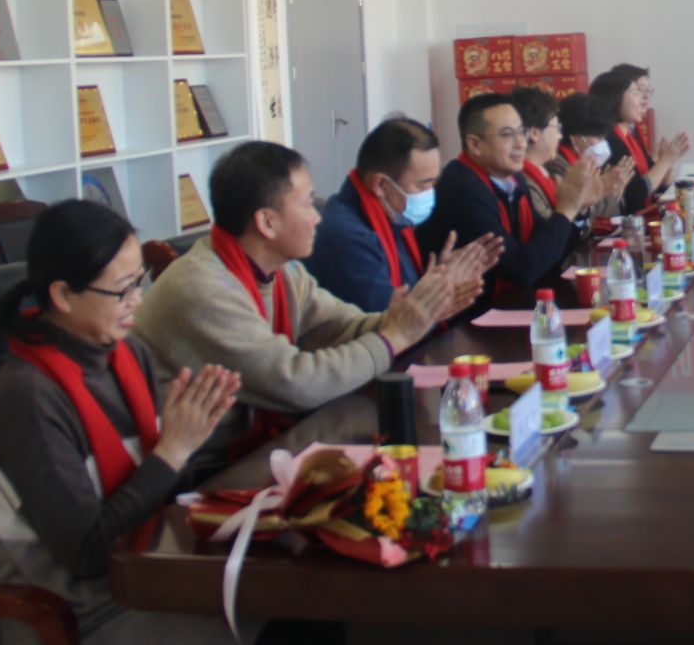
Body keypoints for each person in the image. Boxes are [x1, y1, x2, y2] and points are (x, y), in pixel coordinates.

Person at [0, 199, 254, 645]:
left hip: (150, 582)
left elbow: (154, 496)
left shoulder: (127, 354)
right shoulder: (28, 398)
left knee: (301, 626)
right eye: (123, 289)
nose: (138, 301)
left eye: (139, 281)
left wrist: (190, 438)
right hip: (74, 628)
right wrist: (172, 451)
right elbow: (86, 554)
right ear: (63, 294)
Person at [133, 140, 478, 457]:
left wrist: (422, 313)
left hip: (257, 444)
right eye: (307, 204)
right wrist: (397, 335)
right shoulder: (204, 287)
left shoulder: (282, 270)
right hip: (199, 467)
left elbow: (340, 327)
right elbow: (295, 382)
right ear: (266, 222)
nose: (317, 217)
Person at [418, 93, 601, 310]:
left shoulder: (514, 180)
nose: (521, 143)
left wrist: (578, 208)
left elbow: (547, 249)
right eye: (507, 134)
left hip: (512, 303)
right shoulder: (462, 187)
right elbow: (522, 268)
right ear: (475, 144)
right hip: (470, 315)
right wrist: (567, 208)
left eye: (521, 132)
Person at [305, 115, 504, 313]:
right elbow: (389, 324)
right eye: (423, 185)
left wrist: (439, 280)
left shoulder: (391, 216)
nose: (431, 193)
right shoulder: (349, 239)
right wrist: (436, 296)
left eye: (434, 183)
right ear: (380, 184)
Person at [511, 85, 631, 259]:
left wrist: (583, 207)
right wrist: (580, 205)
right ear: (535, 133)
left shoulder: (543, 172)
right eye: (556, 128)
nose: (560, 136)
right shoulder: (533, 178)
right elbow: (552, 240)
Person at [590, 65, 690, 212]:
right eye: (636, 93)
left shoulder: (630, 135)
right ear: (615, 98)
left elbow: (654, 184)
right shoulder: (611, 140)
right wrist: (666, 161)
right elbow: (636, 193)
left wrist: (669, 163)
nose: (643, 101)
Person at [551, 91, 617, 177]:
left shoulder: (584, 165)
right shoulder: (557, 166)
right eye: (599, 137)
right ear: (574, 138)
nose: (603, 143)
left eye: (604, 138)